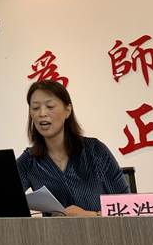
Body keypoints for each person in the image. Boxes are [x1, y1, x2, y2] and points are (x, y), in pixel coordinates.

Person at [17, 80, 129, 217]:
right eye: (35, 108)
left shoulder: (95, 151)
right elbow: (2, 201)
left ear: (67, 111)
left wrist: (92, 215)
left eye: (50, 106)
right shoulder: (29, 160)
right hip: (55, 231)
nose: (42, 113)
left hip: (100, 229)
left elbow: (128, 207)